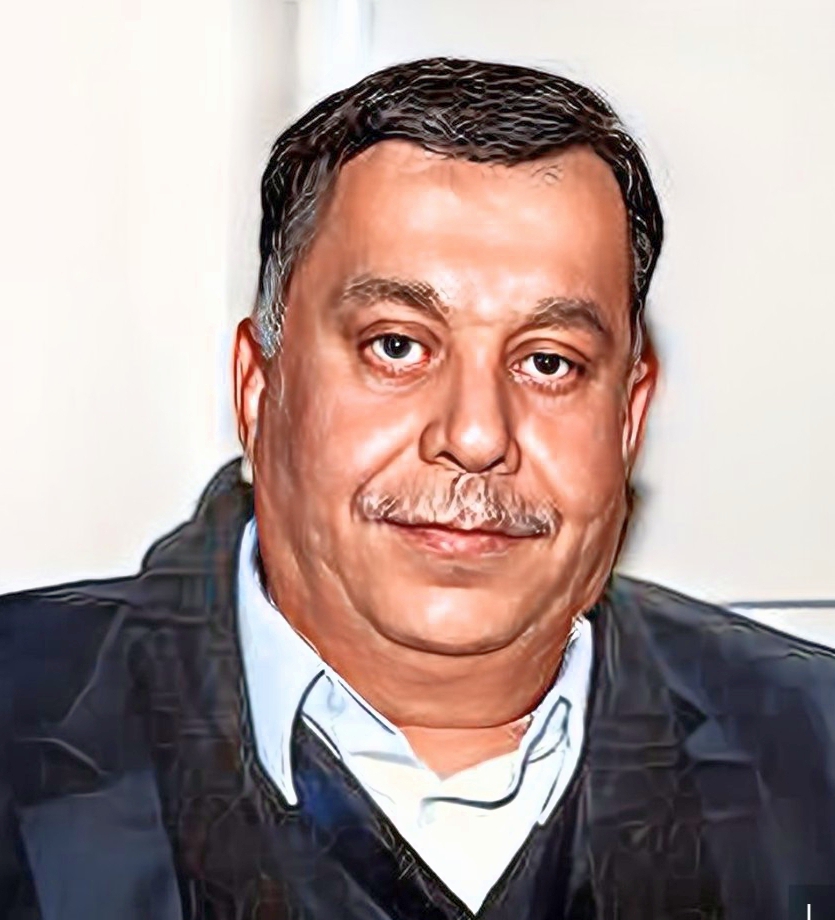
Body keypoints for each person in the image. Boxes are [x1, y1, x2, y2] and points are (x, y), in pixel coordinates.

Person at [1, 57, 834, 920]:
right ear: (258, 390)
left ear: (627, 418)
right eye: (396, 346)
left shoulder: (815, 754)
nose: (475, 435)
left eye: (549, 363)